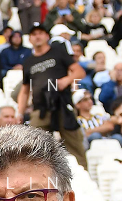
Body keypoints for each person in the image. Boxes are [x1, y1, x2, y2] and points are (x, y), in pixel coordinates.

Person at [16, 23, 87, 169]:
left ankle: (83, 173)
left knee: (74, 144)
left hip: (62, 103)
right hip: (40, 107)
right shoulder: (28, 62)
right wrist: (20, 113)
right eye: (34, 34)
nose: (37, 36)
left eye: (40, 33)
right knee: (34, 145)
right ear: (29, 39)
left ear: (47, 36)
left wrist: (66, 80)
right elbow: (25, 90)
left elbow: (79, 71)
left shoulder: (58, 52)